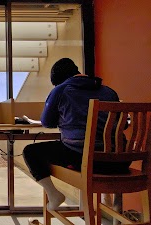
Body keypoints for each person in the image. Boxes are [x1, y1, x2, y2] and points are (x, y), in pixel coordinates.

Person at [23, 58, 131, 210]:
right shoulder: (109, 92)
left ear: (58, 80)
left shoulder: (61, 90)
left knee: (30, 152)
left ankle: (54, 195)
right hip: (120, 162)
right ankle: (117, 208)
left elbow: (47, 122)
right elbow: (124, 124)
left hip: (87, 162)